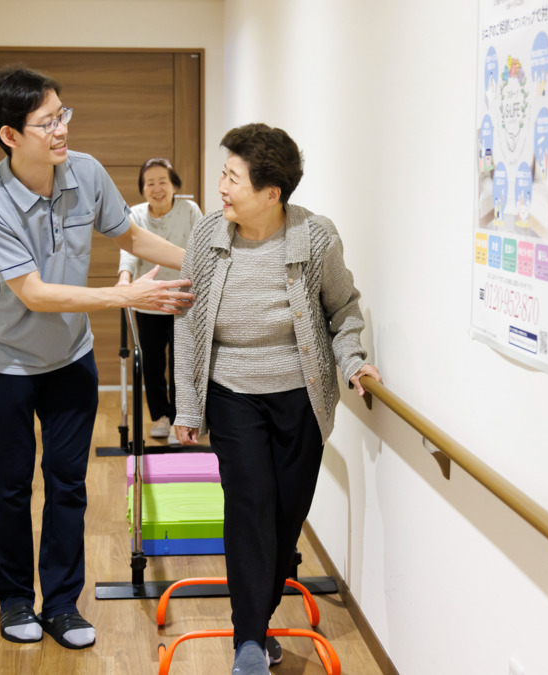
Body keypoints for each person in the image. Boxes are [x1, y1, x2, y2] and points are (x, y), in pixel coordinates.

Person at [0, 66, 194, 649]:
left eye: (62, 114)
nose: (62, 128)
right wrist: (126, 294)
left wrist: (204, 260)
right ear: (10, 135)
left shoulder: (86, 172)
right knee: (13, 486)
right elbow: (35, 293)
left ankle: (63, 604)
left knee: (68, 484)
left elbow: (132, 238)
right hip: (10, 365)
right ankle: (16, 599)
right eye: (47, 122)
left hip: (72, 359)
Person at [172, 123, 381, 674]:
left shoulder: (315, 238)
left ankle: (257, 627)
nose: (221, 186)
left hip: (301, 398)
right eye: (224, 172)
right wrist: (189, 407)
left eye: (232, 177)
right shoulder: (208, 235)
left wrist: (354, 361)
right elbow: (189, 325)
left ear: (272, 192)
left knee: (286, 517)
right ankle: (247, 642)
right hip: (232, 393)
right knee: (249, 508)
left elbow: (344, 309)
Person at [116, 158, 203, 443]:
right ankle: (161, 417)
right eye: (149, 183)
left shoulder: (189, 210)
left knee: (183, 363)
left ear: (175, 185)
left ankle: (182, 418)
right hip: (150, 301)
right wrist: (124, 279)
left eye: (162, 182)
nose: (156, 188)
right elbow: (129, 250)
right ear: (142, 189)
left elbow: (201, 247)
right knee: (152, 365)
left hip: (183, 301)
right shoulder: (136, 214)